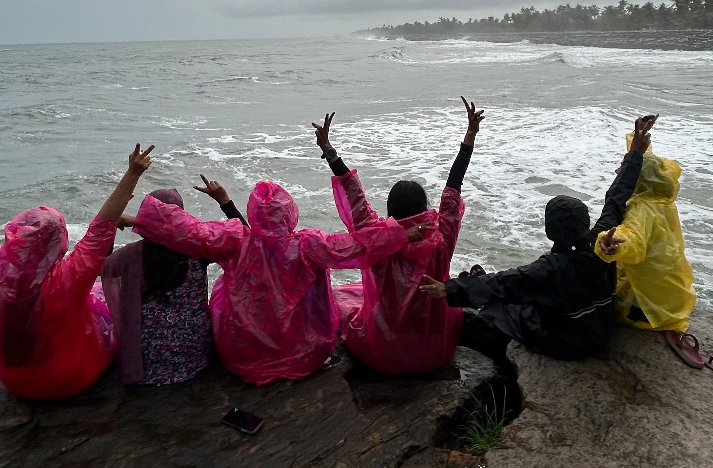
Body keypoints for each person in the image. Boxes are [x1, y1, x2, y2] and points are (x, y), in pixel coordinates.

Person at [128, 177, 430, 385]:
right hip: (301, 355)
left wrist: (136, 219)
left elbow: (188, 230)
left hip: (241, 355)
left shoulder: (235, 240)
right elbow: (355, 245)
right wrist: (400, 233)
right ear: (290, 212)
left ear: (252, 214)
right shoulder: (308, 246)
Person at [420, 115, 657, 362]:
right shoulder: (603, 244)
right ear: (586, 223)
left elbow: (503, 283)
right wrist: (635, 153)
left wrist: (447, 289)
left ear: (549, 231)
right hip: (599, 329)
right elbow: (616, 199)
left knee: (499, 309)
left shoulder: (548, 270)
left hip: (568, 342)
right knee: (523, 294)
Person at [0, 143, 154, 399]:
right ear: (58, 244)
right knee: (101, 298)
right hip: (68, 379)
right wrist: (132, 174)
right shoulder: (65, 280)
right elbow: (101, 229)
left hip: (14, 382)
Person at [312, 96, 483, 374]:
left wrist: (329, 150)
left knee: (345, 305)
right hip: (435, 349)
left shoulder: (376, 239)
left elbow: (354, 194)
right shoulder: (441, 238)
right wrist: (470, 136)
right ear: (425, 208)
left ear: (390, 210)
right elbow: (454, 186)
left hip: (384, 352)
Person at [101, 180, 246, 386]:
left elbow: (100, 265)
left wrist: (111, 224)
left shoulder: (130, 255)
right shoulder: (199, 251)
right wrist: (224, 201)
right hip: (195, 357)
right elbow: (245, 238)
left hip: (149, 362)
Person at [595, 134, 700, 367]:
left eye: (625, 169)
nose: (618, 171)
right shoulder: (663, 203)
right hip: (673, 300)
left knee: (593, 302)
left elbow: (633, 238)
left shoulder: (640, 209)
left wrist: (608, 244)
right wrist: (638, 142)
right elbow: (648, 163)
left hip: (648, 309)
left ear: (639, 179)